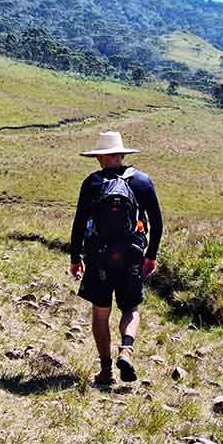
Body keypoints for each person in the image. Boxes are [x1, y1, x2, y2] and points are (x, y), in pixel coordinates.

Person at [69, 131, 164, 386]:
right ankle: (127, 350)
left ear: (101, 157)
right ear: (122, 154)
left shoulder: (92, 183)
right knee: (131, 308)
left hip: (99, 256)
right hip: (132, 255)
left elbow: (79, 223)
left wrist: (75, 258)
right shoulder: (143, 182)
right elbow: (157, 222)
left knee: (101, 313)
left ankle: (106, 371)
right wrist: (151, 255)